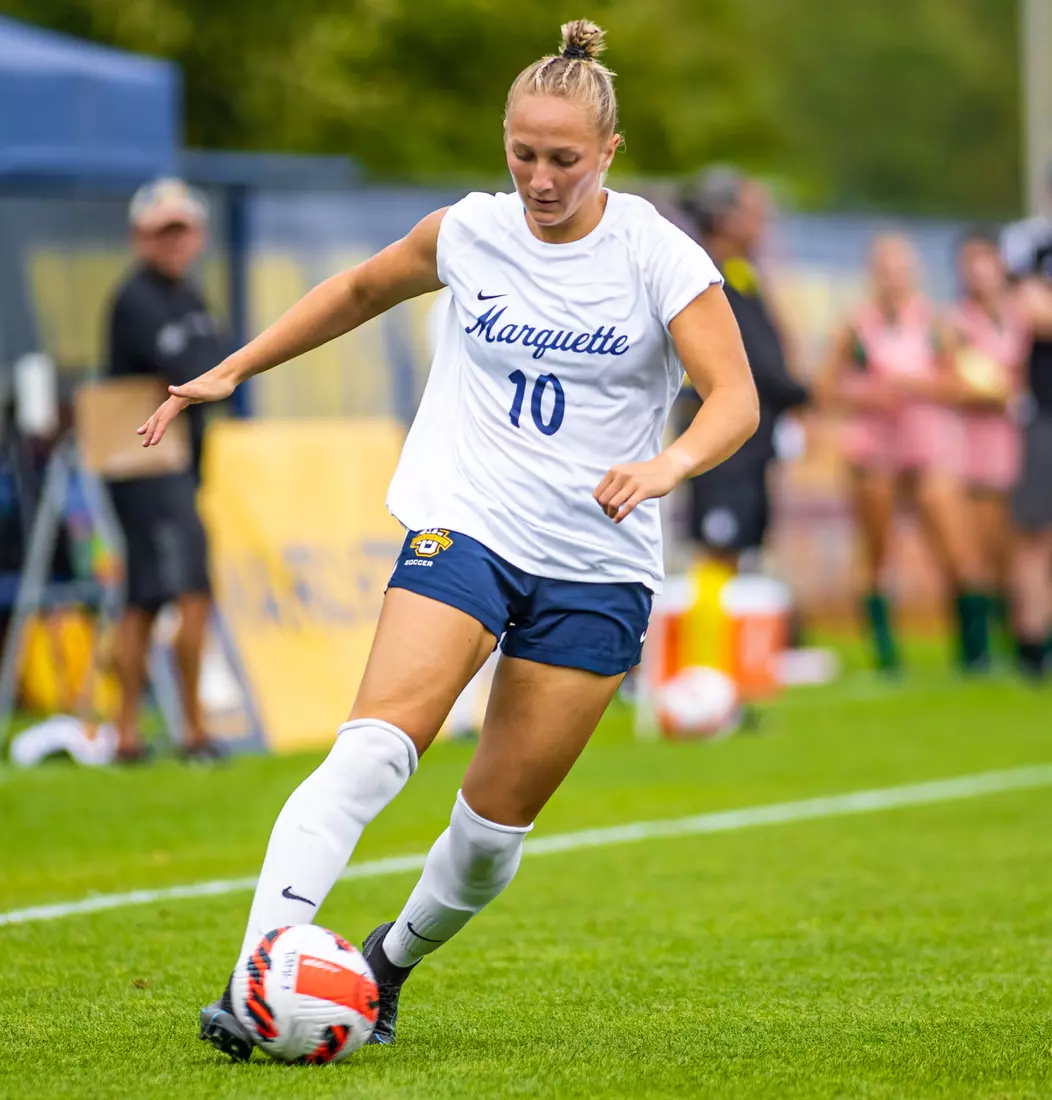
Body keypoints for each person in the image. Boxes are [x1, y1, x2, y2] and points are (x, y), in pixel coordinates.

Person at [139, 21, 758, 1060]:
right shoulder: (468, 230)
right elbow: (356, 290)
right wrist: (234, 369)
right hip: (465, 519)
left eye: (562, 158)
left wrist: (666, 465)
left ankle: (382, 967)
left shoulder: (658, 254)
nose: (539, 178)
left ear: (608, 150)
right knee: (375, 747)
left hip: (596, 563)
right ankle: (256, 978)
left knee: (486, 839)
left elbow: (731, 397)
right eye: (522, 152)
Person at [817, 233, 989, 674]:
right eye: (884, 269)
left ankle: (975, 652)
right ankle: (886, 655)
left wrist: (915, 386)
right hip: (875, 451)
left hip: (926, 447)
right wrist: (868, 395)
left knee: (956, 549)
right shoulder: (855, 326)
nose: (893, 278)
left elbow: (958, 386)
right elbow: (827, 388)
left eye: (901, 269)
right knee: (877, 552)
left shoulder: (934, 324)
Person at [104, 179, 226, 763]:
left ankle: (128, 733)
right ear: (139, 238)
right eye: (162, 231)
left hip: (176, 465)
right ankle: (192, 731)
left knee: (146, 597)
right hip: (148, 466)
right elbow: (192, 366)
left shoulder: (189, 295)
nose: (175, 242)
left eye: (182, 229)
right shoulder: (137, 299)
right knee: (188, 592)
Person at [676, 168, 810, 567]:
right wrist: (811, 394)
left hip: (747, 448)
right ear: (725, 217)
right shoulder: (708, 278)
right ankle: (706, 634)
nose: (762, 224)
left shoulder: (740, 274)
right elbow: (762, 366)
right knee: (718, 555)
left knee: (739, 558)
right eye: (753, 213)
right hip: (723, 451)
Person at [947, 229, 1030, 660]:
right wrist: (998, 392)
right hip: (973, 439)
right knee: (973, 543)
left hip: (1015, 439)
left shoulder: (1020, 316)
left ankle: (1021, 635)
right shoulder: (957, 321)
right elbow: (960, 381)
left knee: (1012, 542)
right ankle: (975, 646)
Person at [1000, 199, 1052, 678]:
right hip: (1044, 408)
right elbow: (1033, 314)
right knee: (1033, 530)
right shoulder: (1031, 242)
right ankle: (1032, 644)